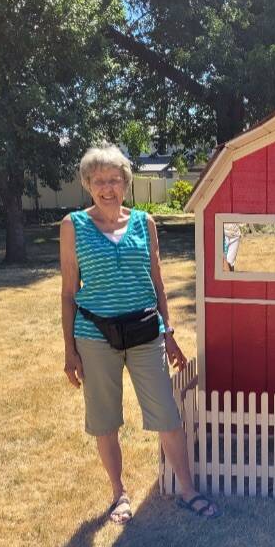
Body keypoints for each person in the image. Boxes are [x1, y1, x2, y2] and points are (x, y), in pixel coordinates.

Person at [60, 144, 221, 522]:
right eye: (99, 180)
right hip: (95, 335)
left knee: (166, 413)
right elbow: (68, 291)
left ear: (126, 184)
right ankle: (119, 494)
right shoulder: (74, 226)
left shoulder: (143, 223)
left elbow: (157, 281)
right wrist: (69, 350)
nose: (107, 187)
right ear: (88, 184)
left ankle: (187, 489)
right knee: (105, 419)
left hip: (146, 331)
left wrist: (168, 333)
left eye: (114, 179)